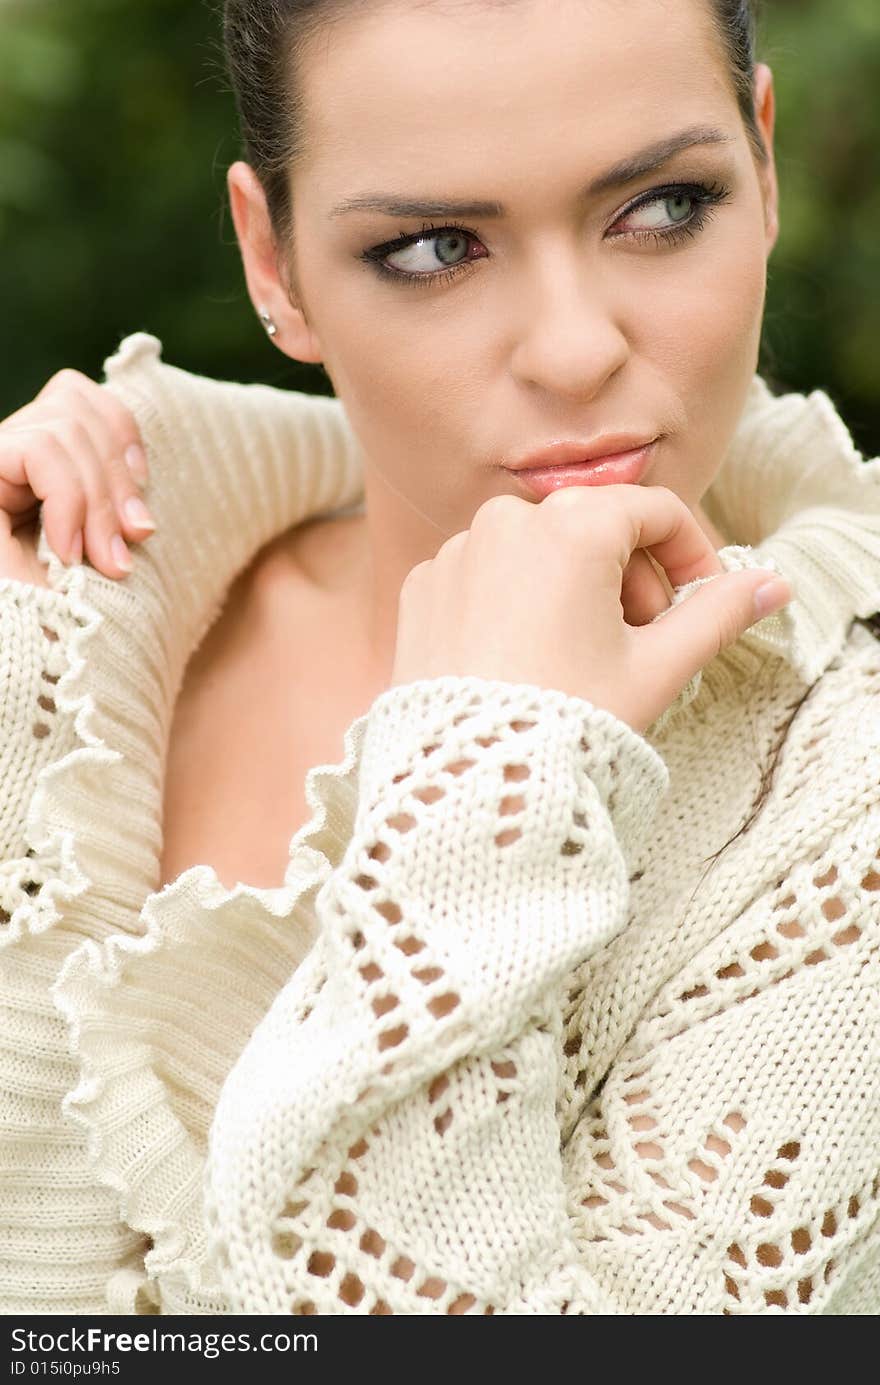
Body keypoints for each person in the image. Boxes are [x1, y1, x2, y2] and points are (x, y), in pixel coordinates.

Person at [1, 0, 878, 1316]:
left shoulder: (843, 811)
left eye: (662, 205)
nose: (576, 348)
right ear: (271, 261)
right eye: (433, 246)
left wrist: (490, 777)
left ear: (761, 165)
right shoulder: (71, 616)